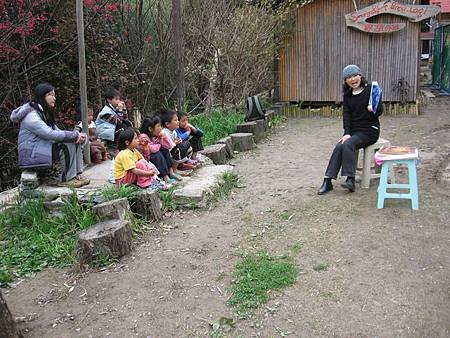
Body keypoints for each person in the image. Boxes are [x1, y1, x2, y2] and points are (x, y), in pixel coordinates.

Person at [318, 64, 383, 195]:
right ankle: (327, 180)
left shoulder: (371, 89)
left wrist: (374, 108)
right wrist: (346, 133)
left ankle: (350, 179)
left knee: (348, 144)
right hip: (354, 131)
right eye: (349, 77)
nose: (353, 79)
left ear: (360, 76)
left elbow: (379, 111)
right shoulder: (348, 95)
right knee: (339, 146)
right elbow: (346, 116)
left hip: (370, 130)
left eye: (355, 75)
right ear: (345, 81)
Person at [10, 83, 90, 187]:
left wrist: (77, 136)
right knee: (66, 145)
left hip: (41, 148)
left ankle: (77, 175)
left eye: (54, 95)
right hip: (32, 154)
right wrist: (74, 136)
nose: (54, 98)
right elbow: (49, 134)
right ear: (42, 96)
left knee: (73, 141)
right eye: (50, 95)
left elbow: (56, 131)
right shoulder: (31, 115)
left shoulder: (42, 112)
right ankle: (67, 179)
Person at [138, 115, 177, 184]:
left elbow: (169, 146)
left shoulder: (154, 136)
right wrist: (159, 143)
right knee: (156, 154)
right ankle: (165, 177)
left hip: (153, 159)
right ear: (150, 129)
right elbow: (152, 149)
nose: (161, 128)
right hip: (145, 161)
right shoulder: (143, 137)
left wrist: (164, 137)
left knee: (165, 149)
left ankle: (171, 172)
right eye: (158, 126)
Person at [159, 109, 192, 178]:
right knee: (180, 147)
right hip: (167, 156)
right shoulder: (164, 133)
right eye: (176, 120)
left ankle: (179, 166)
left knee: (186, 144)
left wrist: (178, 141)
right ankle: (174, 170)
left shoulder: (173, 131)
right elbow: (166, 148)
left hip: (172, 152)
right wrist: (175, 143)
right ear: (167, 124)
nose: (178, 122)